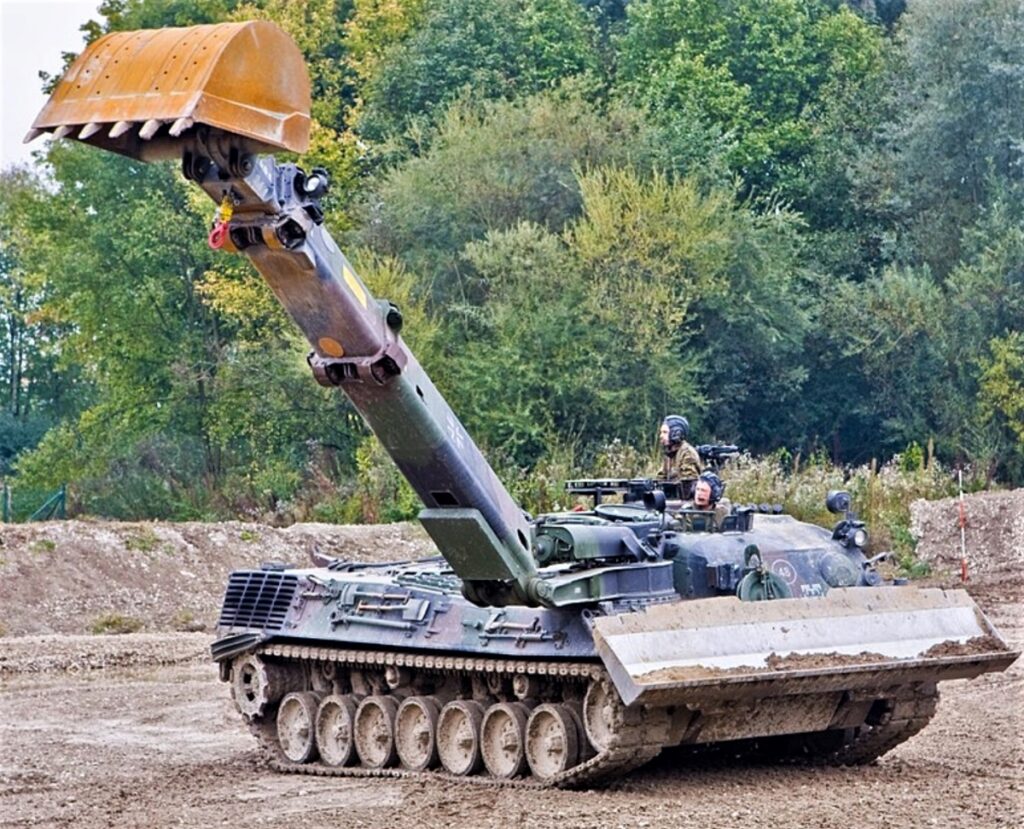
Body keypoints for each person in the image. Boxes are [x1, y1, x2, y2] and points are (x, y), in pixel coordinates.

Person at [658, 414, 702, 483]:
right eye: (661, 432)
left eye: (665, 432)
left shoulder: (687, 453)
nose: (661, 436)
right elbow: (661, 478)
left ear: (676, 433)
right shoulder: (670, 453)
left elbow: (688, 484)